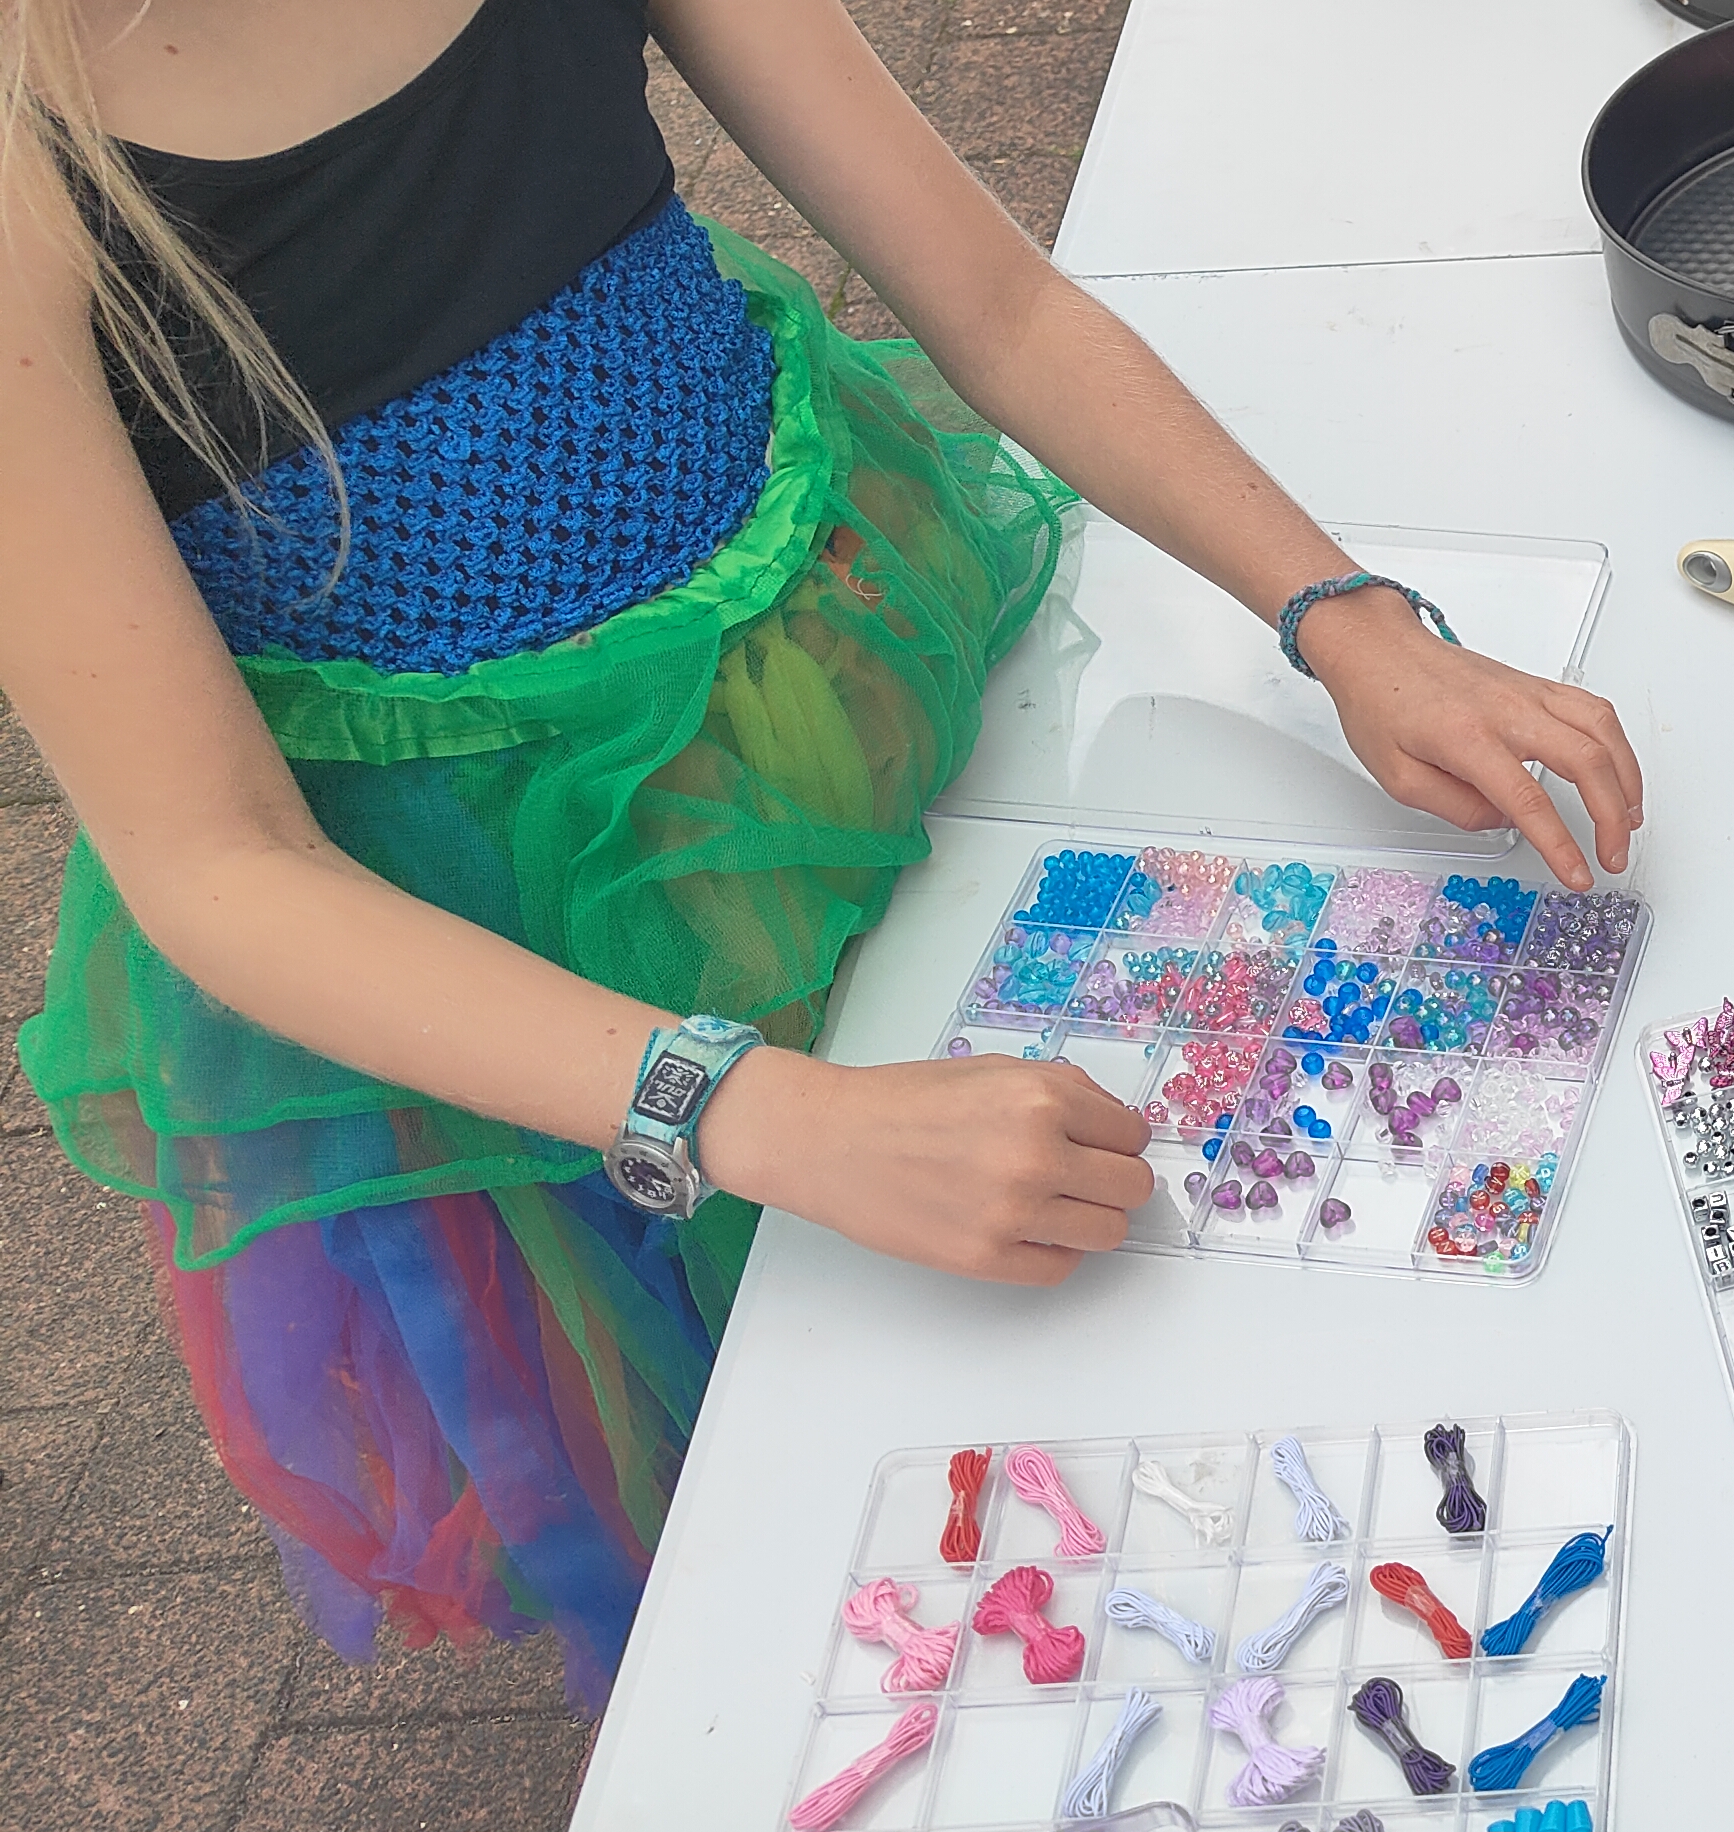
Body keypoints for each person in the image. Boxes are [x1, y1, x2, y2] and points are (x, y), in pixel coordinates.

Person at [0, 0, 1643, 1706]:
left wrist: (1341, 612)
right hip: (487, 925)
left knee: (1047, 1231)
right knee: (764, 1404)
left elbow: (1001, 304)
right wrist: (766, 1114)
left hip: (827, 686)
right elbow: (218, 862)